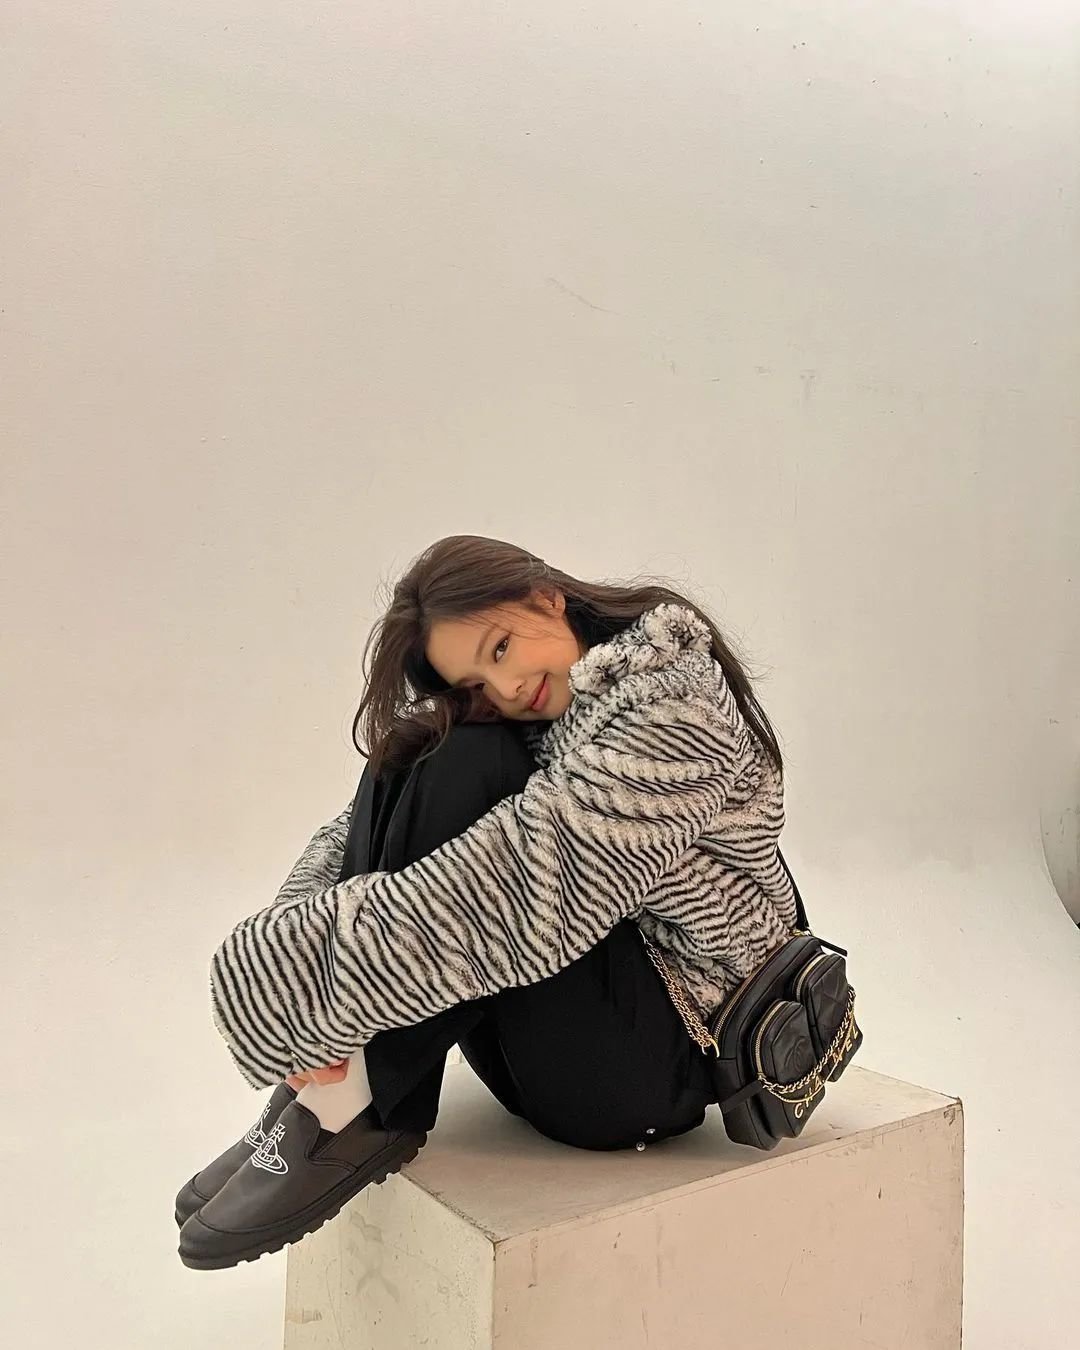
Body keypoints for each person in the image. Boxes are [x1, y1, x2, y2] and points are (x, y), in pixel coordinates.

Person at [175, 534, 799, 1270]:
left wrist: (294, 984)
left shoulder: (677, 704)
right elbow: (351, 836)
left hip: (663, 1061)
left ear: (546, 597)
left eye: (500, 648)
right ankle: (338, 1091)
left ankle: (358, 1106)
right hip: (546, 1047)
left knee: (468, 762)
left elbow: (531, 886)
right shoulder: (547, 709)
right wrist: (303, 999)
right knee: (420, 748)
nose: (505, 688)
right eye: (477, 681)